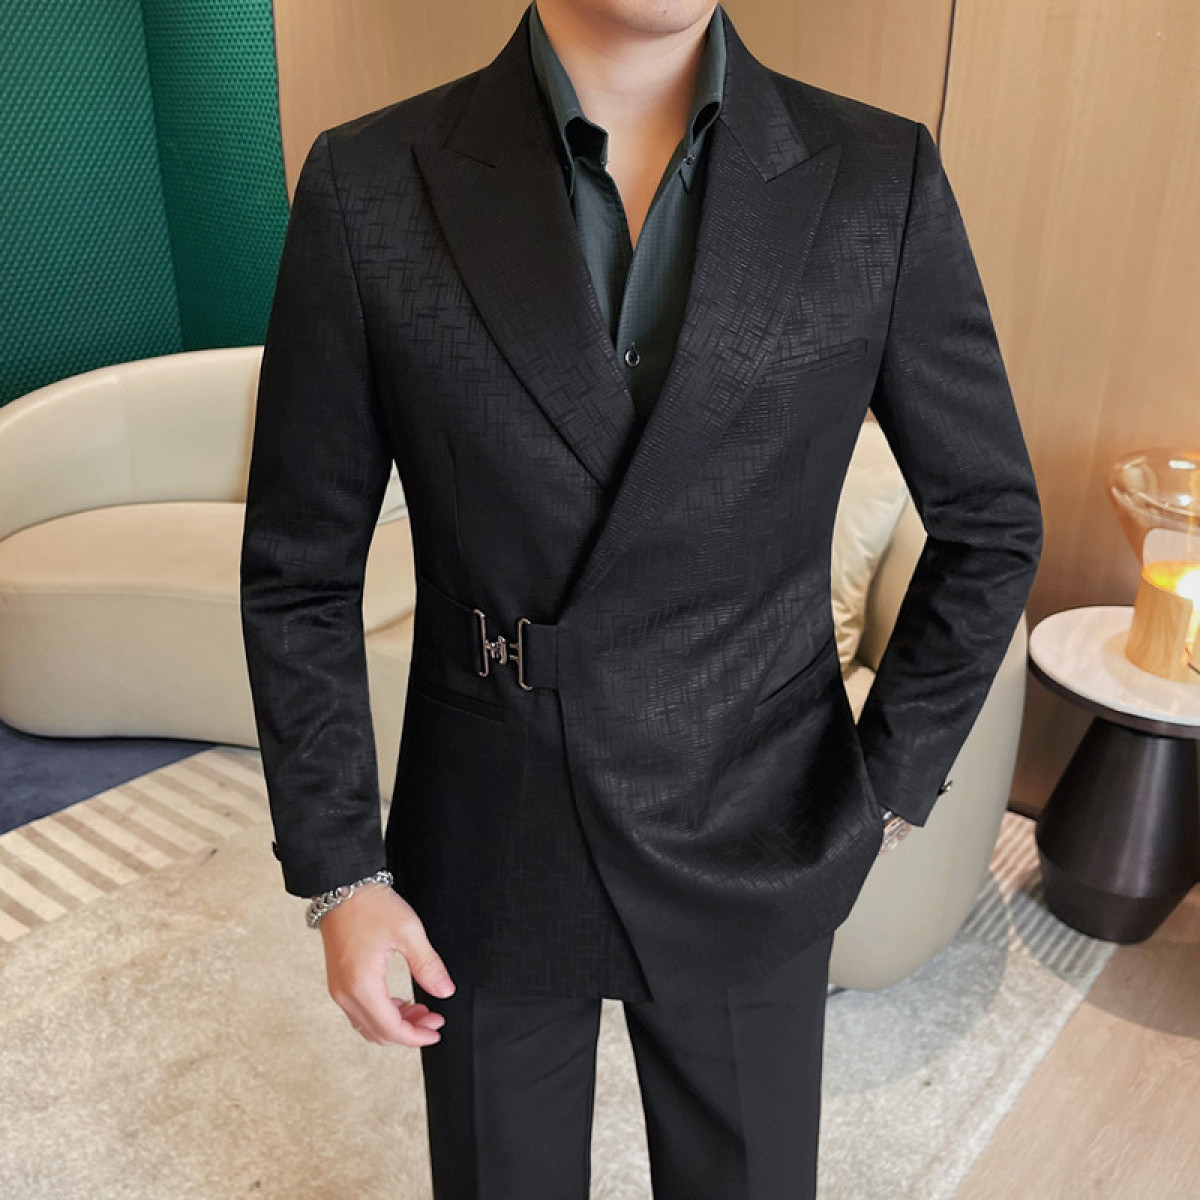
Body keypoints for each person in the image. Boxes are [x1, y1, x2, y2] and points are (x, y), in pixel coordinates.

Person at [239, 1, 1043, 1196]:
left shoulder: (879, 177)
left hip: (760, 816)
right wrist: (340, 871)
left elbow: (990, 522)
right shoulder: (371, 183)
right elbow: (300, 568)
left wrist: (884, 792)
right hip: (492, 822)